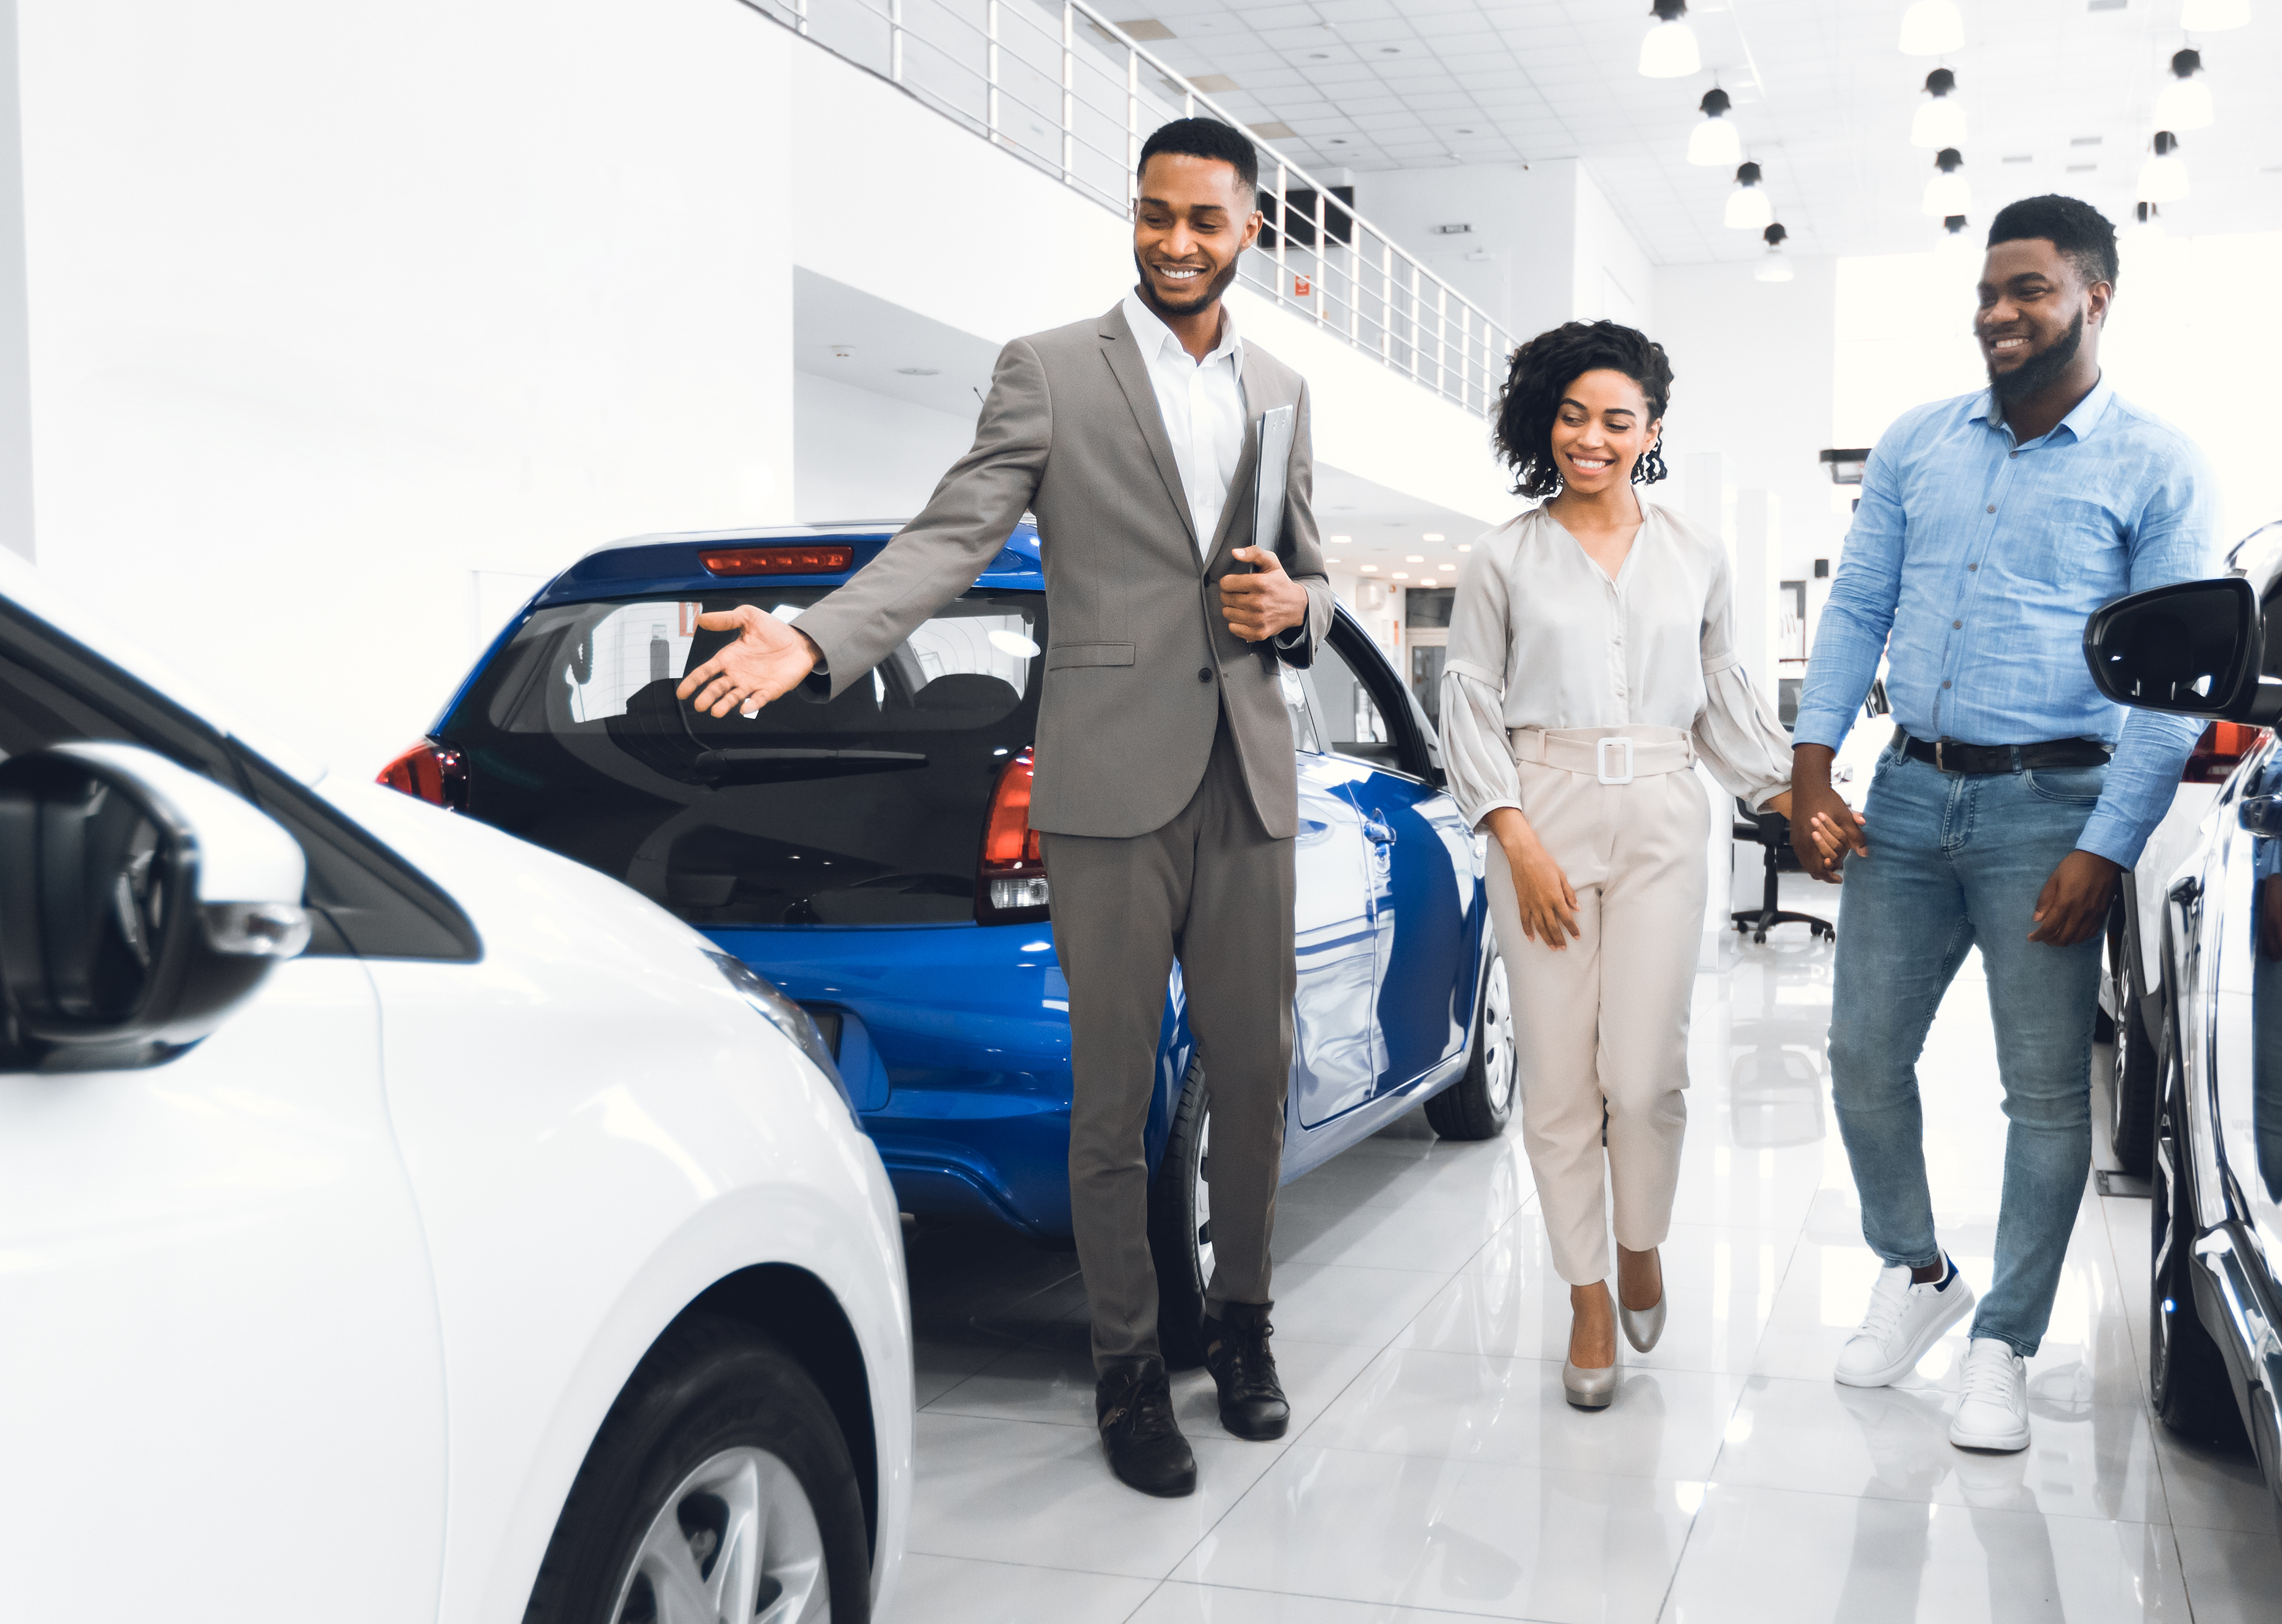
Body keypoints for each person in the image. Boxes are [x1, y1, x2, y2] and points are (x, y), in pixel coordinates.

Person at [678, 117, 1324, 1498]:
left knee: (1256, 1079)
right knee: (1112, 1101)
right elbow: (952, 532)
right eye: (1152, 214)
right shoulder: (1048, 369)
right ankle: (1128, 1369)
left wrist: (1303, 607)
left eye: (1202, 221)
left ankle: (1245, 1329)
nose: (1171, 241)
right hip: (1104, 783)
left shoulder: (1280, 387)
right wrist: (812, 636)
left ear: (1249, 230)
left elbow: (1301, 573)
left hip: (1248, 775)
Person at [1786, 194, 2216, 1454]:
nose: (1999, 313)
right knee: (1863, 1053)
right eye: (1987, 291)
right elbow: (1857, 606)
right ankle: (1917, 1274)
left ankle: (2005, 1343)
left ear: (2095, 297)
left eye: (2028, 289)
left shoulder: (2157, 464)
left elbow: (2173, 682)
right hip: (1909, 794)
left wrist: (2107, 844)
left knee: (2040, 1095)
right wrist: (1814, 771)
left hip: (2052, 806)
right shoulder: (1920, 444)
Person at [1438, 320, 1817, 1412]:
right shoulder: (1503, 557)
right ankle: (1589, 1294)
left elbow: (1721, 701)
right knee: (1559, 1080)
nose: (1590, 438)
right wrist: (1515, 837)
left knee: (1645, 1077)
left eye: (1616, 419)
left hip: (1658, 806)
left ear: (1652, 430)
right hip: (1540, 807)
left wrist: (1786, 794)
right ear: (1544, 421)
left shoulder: (1696, 552)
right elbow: (1468, 700)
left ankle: (1641, 1238)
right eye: (1571, 415)